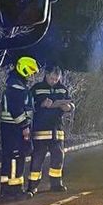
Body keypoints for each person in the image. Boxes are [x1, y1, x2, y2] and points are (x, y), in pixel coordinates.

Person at [27, 65, 75, 195]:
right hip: (41, 129)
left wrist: (69, 107)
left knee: (58, 157)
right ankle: (32, 186)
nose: (54, 81)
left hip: (57, 129)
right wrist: (41, 105)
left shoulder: (62, 89)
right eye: (52, 78)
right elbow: (29, 105)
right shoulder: (36, 88)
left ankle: (56, 184)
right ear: (46, 75)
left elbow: (71, 103)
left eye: (56, 79)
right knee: (37, 158)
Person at [0, 56, 36, 198]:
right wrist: (25, 127)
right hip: (15, 129)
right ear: (24, 69)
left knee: (9, 157)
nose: (33, 75)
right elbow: (17, 110)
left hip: (10, 129)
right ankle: (14, 190)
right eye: (31, 72)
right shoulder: (16, 88)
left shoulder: (15, 85)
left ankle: (5, 188)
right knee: (16, 157)